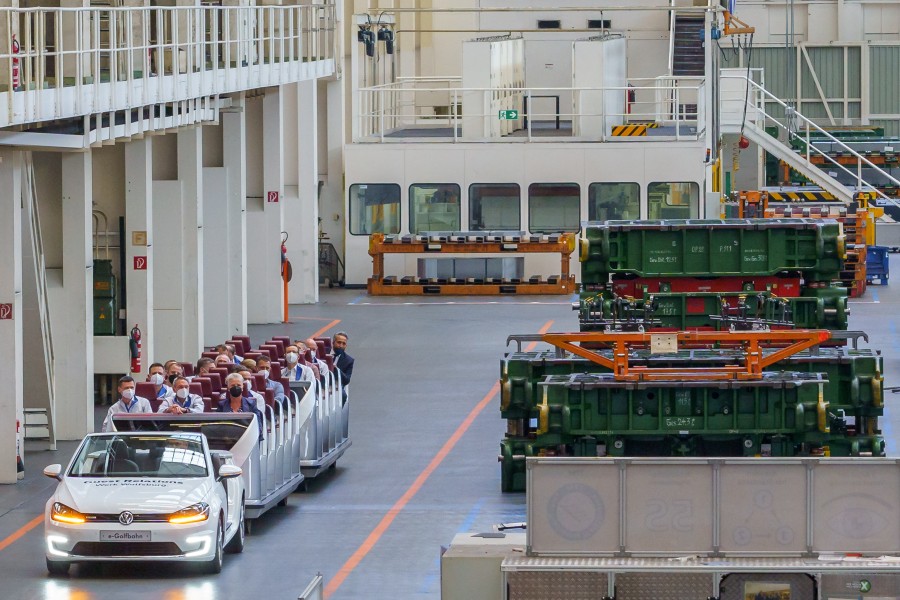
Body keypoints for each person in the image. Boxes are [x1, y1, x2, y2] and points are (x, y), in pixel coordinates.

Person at [217, 373, 264, 441]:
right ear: (228, 388)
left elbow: (258, 426)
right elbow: (218, 427)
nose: (236, 387)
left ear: (242, 387)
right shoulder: (221, 405)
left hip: (247, 439)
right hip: (227, 440)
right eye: (233, 385)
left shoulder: (251, 404)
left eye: (238, 385)